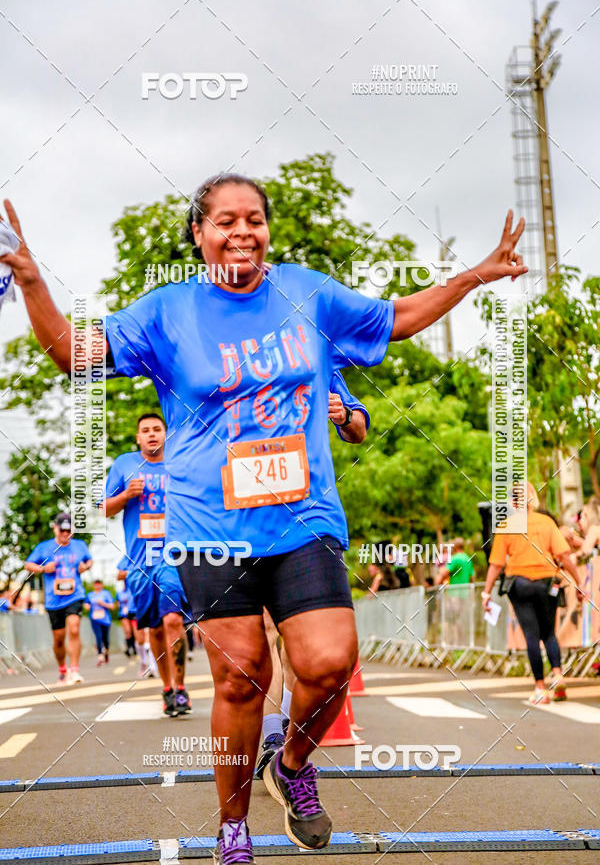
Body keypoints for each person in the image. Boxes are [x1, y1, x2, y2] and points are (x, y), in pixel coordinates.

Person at [2, 179, 526, 863]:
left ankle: (293, 762)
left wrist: (473, 277)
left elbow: (392, 317)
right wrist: (35, 281)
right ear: (199, 233)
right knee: (240, 676)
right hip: (207, 525)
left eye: (254, 219)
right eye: (225, 221)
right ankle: (232, 828)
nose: (241, 231)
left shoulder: (308, 294)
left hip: (302, 518)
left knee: (330, 661)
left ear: (268, 231)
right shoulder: (169, 311)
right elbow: (77, 353)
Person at [256, 376, 369, 778]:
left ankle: (286, 728)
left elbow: (358, 429)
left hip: (308, 519)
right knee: (266, 633)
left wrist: (344, 416)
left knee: (308, 646)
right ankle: (273, 735)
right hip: (245, 519)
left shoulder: (313, 355)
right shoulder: (224, 349)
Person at [103, 414, 191, 716]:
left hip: (174, 556)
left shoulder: (181, 461)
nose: (152, 435)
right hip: (140, 561)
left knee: (173, 621)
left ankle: (181, 689)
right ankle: (166, 686)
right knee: (154, 628)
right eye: (145, 431)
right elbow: (101, 510)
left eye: (157, 429)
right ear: (138, 437)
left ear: (166, 434)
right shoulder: (124, 465)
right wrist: (126, 495)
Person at [482, 483, 586, 705]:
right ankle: (558, 676)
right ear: (532, 499)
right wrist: (578, 583)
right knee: (549, 632)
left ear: (512, 502)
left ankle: (540, 689)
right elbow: (565, 556)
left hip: (519, 585)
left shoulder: (507, 526)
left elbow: (496, 565)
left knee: (531, 635)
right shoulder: (546, 522)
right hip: (547, 583)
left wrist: (486, 592)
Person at [24, 513, 93, 684]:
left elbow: (90, 561)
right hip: (53, 600)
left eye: (68, 530)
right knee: (59, 638)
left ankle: (75, 670)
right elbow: (28, 564)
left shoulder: (80, 546)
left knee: (75, 628)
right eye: (62, 530)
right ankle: (63, 668)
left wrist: (85, 566)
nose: (65, 534)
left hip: (74, 595)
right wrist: (42, 568)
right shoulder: (44, 547)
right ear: (55, 528)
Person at [84, 578, 115, 666]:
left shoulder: (106, 593)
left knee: (106, 639)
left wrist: (103, 604)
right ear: (94, 585)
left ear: (102, 585)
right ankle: (100, 656)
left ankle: (106, 652)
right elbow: (86, 604)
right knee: (98, 636)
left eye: (99, 584)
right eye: (96, 584)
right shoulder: (90, 595)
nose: (97, 586)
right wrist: (87, 606)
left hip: (105, 620)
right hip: (94, 619)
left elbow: (112, 606)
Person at [116, 581, 137, 657]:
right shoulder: (119, 593)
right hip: (124, 614)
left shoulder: (134, 590)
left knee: (134, 631)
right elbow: (118, 603)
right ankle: (129, 648)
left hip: (134, 612)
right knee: (127, 631)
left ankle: (134, 647)